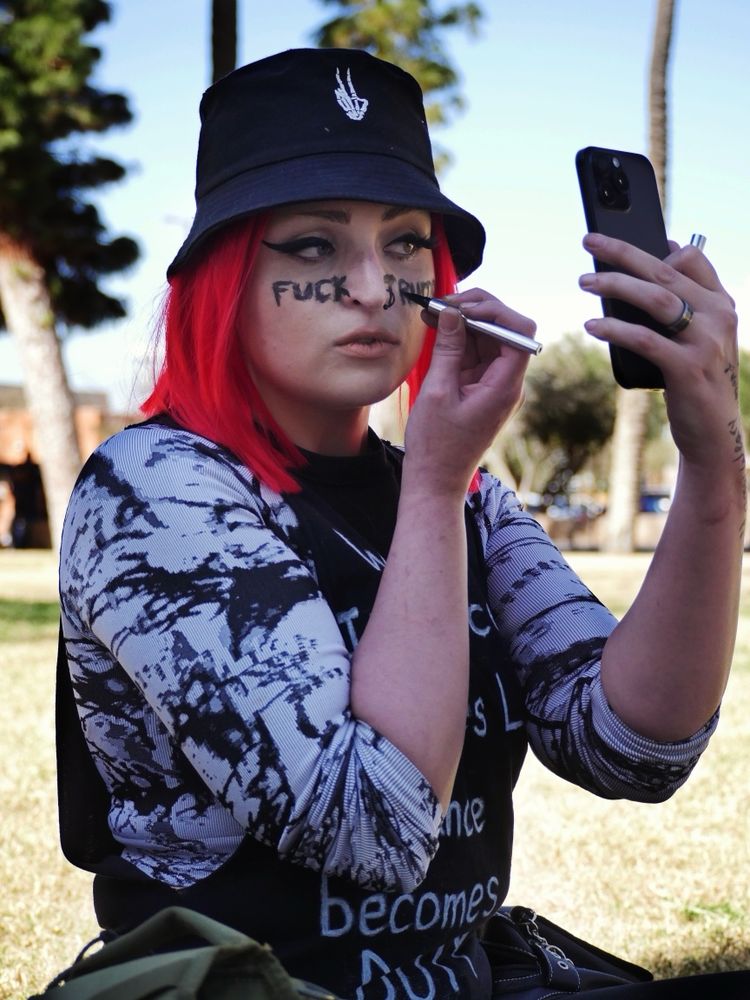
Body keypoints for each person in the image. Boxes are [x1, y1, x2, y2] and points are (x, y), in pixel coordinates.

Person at [57, 49, 746, 999]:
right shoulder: (150, 492)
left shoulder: (466, 496)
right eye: (313, 247)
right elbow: (370, 826)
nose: (375, 290)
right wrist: (432, 487)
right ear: (224, 275)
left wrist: (713, 463)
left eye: (406, 243)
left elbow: (634, 747)